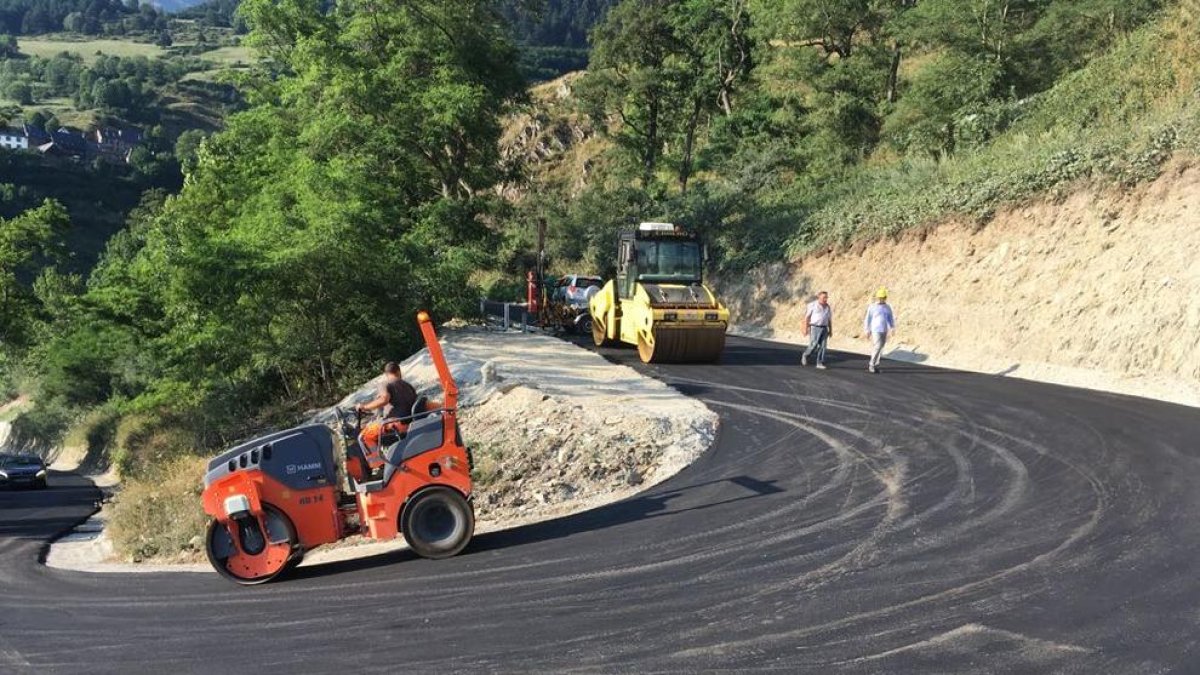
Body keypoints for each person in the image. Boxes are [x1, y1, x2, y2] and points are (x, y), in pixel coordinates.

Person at [863, 288, 895, 374]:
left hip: (884, 329)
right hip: (875, 330)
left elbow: (890, 318)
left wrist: (892, 327)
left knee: (881, 347)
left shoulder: (887, 307)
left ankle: (876, 365)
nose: (881, 299)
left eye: (883, 297)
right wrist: (867, 330)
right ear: (877, 298)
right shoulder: (873, 307)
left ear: (885, 297)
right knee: (877, 346)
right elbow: (868, 319)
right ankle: (871, 364)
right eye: (879, 298)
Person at [801, 291, 833, 369]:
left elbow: (829, 319)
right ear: (819, 297)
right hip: (815, 327)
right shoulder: (813, 305)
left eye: (826, 298)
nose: (825, 299)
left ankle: (819, 362)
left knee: (823, 346)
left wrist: (830, 330)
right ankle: (805, 355)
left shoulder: (828, 307)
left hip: (824, 327)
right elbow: (807, 317)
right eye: (823, 297)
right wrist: (805, 328)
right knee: (813, 345)